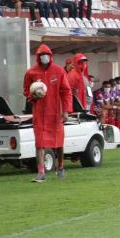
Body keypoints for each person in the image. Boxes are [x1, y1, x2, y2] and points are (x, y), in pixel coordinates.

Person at [23, 44, 73, 183]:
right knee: (39, 143)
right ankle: (41, 172)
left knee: (58, 142)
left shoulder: (58, 71)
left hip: (55, 113)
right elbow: (26, 91)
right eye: (41, 55)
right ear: (38, 57)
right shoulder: (31, 72)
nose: (44, 57)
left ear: (50, 56)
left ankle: (61, 167)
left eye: (46, 54)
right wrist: (34, 97)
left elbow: (66, 92)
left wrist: (66, 111)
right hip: (39, 114)